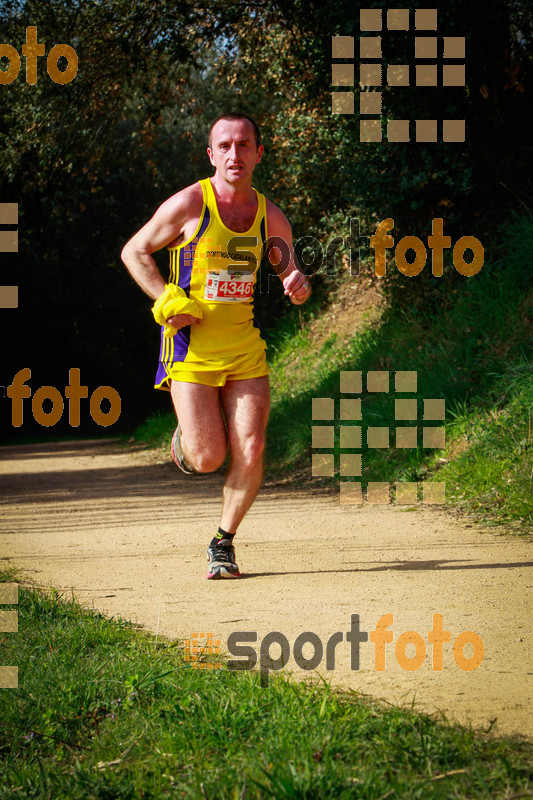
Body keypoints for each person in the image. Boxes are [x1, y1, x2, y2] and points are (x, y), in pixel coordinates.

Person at [121, 112, 311, 579]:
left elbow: (286, 265)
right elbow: (134, 251)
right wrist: (168, 297)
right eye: (224, 145)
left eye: (244, 145)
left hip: (244, 347)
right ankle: (186, 441)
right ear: (211, 154)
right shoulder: (189, 204)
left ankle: (223, 542)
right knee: (208, 457)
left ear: (258, 153)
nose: (234, 154)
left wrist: (295, 281)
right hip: (190, 347)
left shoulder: (269, 215)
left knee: (252, 444)